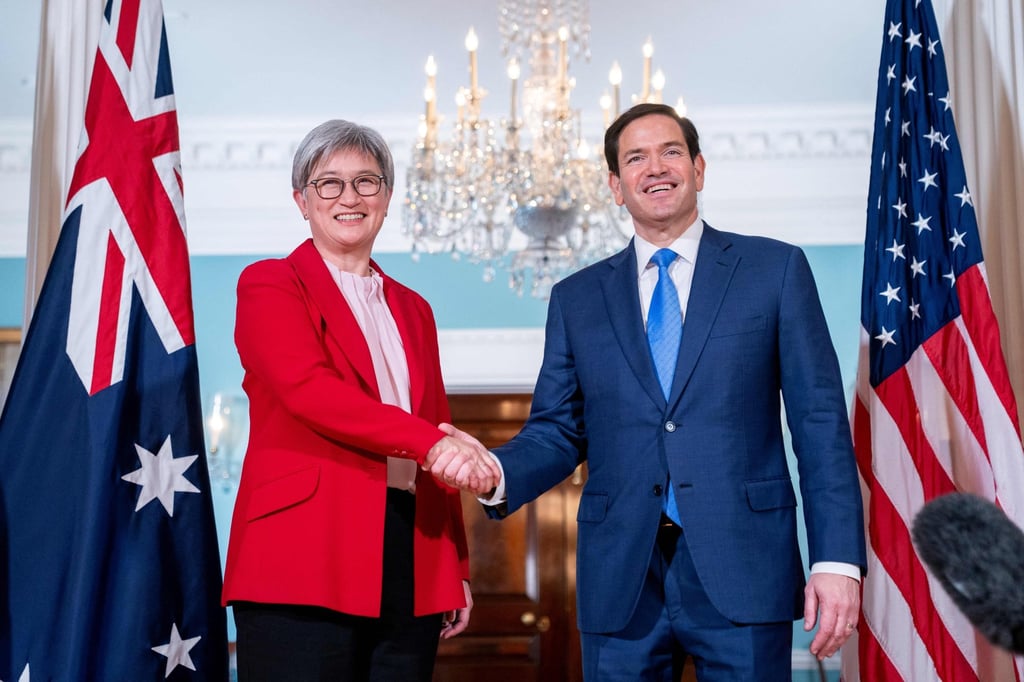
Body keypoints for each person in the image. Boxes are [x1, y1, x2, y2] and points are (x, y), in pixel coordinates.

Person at [432, 103, 867, 680]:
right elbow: (559, 429)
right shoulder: (577, 298)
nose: (655, 167)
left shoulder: (775, 269)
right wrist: (497, 471)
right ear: (616, 185)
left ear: (699, 168)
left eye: (670, 152)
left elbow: (819, 424)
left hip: (745, 563)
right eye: (635, 158)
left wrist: (837, 559)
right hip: (621, 577)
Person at [221, 119, 499, 681]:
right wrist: (430, 444)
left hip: (409, 549)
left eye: (367, 182)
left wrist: (454, 565)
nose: (349, 197)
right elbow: (311, 392)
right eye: (329, 184)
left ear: (387, 198)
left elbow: (437, 425)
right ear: (302, 200)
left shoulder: (415, 308)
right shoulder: (270, 284)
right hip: (302, 549)